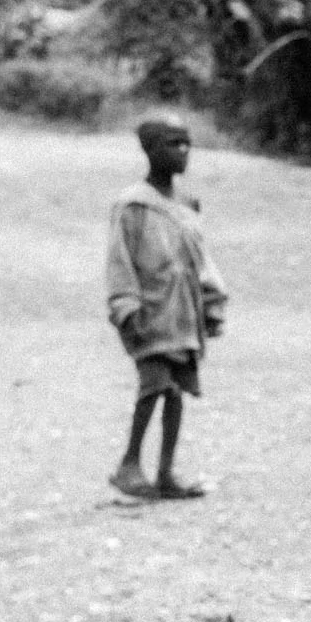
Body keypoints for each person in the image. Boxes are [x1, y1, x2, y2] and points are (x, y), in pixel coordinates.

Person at [105, 116, 228, 500]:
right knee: (153, 384)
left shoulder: (188, 203)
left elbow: (201, 258)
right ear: (150, 150)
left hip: (184, 310)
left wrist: (211, 302)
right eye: (173, 144)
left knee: (175, 390)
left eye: (187, 144)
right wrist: (127, 306)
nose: (183, 152)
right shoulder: (132, 205)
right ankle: (128, 464)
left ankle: (165, 472)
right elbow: (119, 261)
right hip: (150, 311)